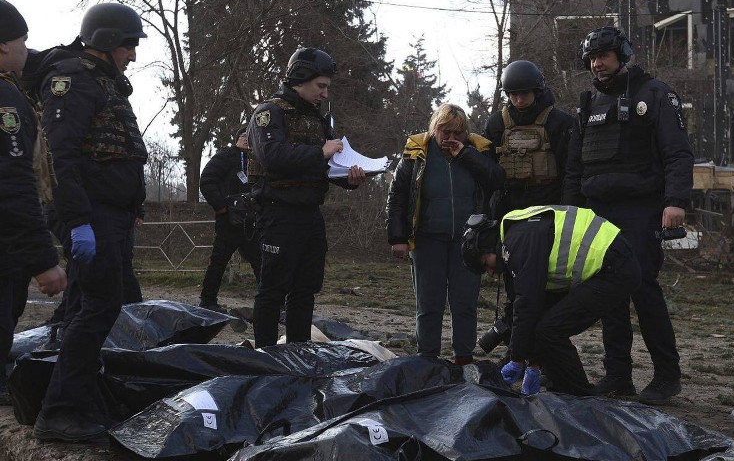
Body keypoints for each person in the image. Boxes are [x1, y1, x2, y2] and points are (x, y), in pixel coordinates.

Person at [32, 2, 148, 441]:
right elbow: (60, 155)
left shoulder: (103, 82)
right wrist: (78, 220)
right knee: (99, 306)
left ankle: (78, 401)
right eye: (128, 45)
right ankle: (60, 411)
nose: (132, 55)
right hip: (90, 214)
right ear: (106, 41)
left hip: (108, 213)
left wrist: (131, 203)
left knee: (88, 306)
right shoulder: (73, 80)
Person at [562, 26, 694, 404]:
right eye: (592, 58)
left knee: (643, 289)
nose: (597, 64)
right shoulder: (588, 104)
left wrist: (675, 201)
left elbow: (677, 153)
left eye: (603, 56)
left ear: (622, 56)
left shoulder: (655, 94)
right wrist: (571, 213)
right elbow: (575, 168)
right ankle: (618, 376)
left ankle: (667, 376)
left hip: (641, 209)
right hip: (597, 213)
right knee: (608, 295)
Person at [247, 47, 365, 348]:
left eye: (327, 87)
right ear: (301, 79)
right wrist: (320, 151)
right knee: (272, 290)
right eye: (320, 86)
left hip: (310, 214)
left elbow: (325, 167)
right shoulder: (269, 113)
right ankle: (264, 355)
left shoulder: (317, 120)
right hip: (277, 213)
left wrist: (350, 178)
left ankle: (298, 352)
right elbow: (272, 156)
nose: (325, 93)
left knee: (305, 290)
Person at [460, 206, 640, 396]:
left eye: (485, 264)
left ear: (489, 247)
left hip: (614, 269)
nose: (490, 272)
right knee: (547, 327)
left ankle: (581, 396)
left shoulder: (519, 245)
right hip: (612, 261)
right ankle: (562, 387)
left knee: (551, 331)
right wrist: (533, 363)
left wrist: (517, 359)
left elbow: (527, 306)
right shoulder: (514, 234)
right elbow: (525, 307)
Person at [386, 103, 505, 365]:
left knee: (465, 303)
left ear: (465, 133)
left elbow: (497, 180)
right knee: (429, 303)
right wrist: (397, 238)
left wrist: (465, 154)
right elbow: (398, 196)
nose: (450, 138)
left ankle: (463, 358)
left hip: (469, 243)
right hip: (427, 239)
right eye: (445, 131)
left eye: (457, 133)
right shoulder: (417, 152)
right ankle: (427, 358)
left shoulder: (478, 151)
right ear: (434, 129)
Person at [480, 60, 574, 354]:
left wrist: (568, 216)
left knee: (549, 291)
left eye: (524, 93)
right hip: (511, 217)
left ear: (537, 90)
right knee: (516, 290)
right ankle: (518, 353)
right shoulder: (496, 124)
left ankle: (541, 357)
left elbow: (572, 173)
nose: (518, 100)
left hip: (549, 216)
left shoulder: (560, 122)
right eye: (513, 94)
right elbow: (487, 178)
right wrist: (490, 231)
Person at [0, 0, 67, 404]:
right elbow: (11, 184)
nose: (27, 48)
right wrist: (44, 260)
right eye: (23, 40)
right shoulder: (5, 100)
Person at [198, 127, 261, 312]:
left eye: (251, 136)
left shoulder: (259, 158)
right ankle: (208, 301)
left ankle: (270, 304)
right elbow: (206, 180)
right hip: (228, 221)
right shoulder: (225, 156)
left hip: (253, 222)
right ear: (236, 139)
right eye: (244, 136)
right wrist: (221, 207)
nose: (247, 139)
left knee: (261, 262)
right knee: (218, 262)